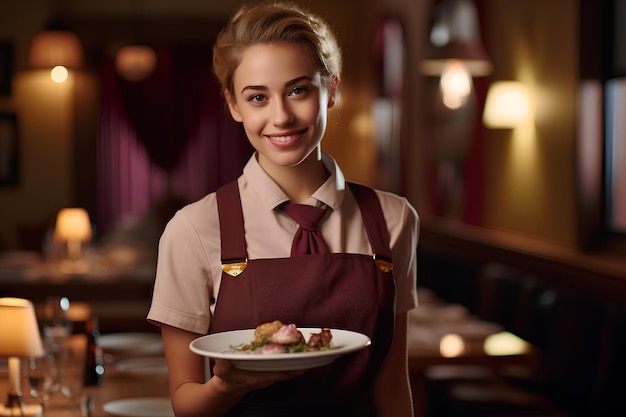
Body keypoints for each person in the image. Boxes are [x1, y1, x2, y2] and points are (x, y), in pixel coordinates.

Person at [147, 2, 419, 416]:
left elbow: (393, 387)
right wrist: (226, 386)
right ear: (234, 106)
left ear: (331, 90)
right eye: (257, 97)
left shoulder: (393, 219)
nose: (281, 117)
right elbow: (185, 402)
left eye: (298, 90)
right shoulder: (193, 230)